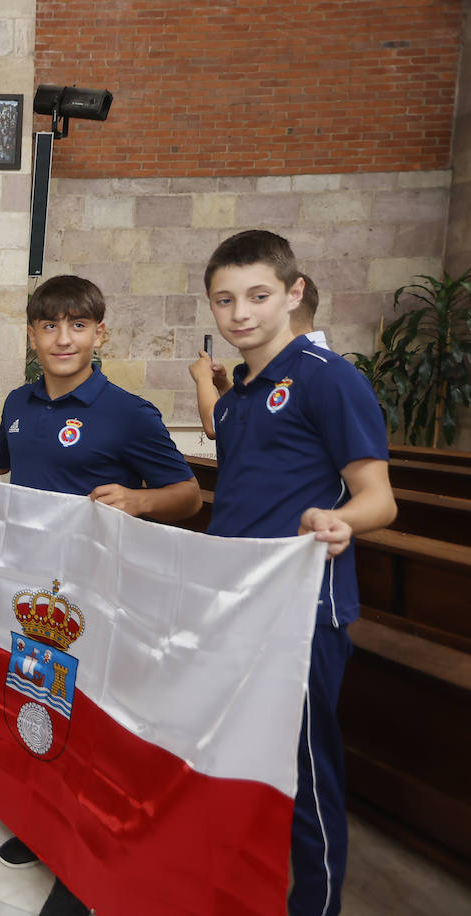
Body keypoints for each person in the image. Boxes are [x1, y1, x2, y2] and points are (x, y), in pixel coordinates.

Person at [0, 275, 202, 916]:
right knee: (40, 704)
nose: (62, 338)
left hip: (102, 599)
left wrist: (139, 500)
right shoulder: (20, 403)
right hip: (34, 595)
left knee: (95, 721)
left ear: (99, 333)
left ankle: (84, 865)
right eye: (49, 326)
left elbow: (187, 494)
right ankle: (44, 823)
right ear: (31, 335)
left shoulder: (127, 413)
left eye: (77, 325)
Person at [202, 231, 395, 916]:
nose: (240, 314)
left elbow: (379, 496)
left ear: (293, 292)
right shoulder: (235, 397)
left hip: (303, 607)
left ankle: (315, 906)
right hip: (237, 604)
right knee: (235, 764)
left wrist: (345, 521)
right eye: (224, 300)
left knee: (307, 773)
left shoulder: (327, 376)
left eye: (257, 295)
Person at [191, 272, 325, 439]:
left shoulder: (322, 371)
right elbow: (246, 416)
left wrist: (203, 378)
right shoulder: (288, 364)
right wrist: (222, 383)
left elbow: (214, 425)